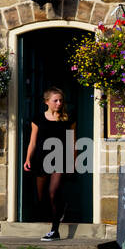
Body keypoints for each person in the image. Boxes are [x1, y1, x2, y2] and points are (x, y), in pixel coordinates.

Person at [24, 86, 75, 240]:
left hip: (60, 159)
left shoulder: (68, 119)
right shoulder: (38, 118)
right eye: (55, 100)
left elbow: (73, 142)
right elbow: (32, 142)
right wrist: (27, 159)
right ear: (47, 102)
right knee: (42, 197)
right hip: (41, 159)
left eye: (61, 100)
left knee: (53, 192)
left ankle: (55, 230)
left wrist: (72, 162)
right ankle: (57, 213)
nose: (59, 103)